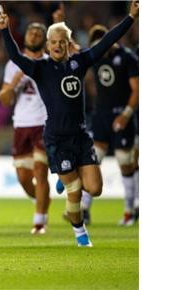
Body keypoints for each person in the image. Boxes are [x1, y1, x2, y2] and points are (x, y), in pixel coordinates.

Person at [0, 0, 139, 246]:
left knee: (94, 189)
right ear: (48, 45)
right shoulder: (40, 68)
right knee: (74, 193)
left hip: (81, 137)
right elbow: (15, 56)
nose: (58, 45)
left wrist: (131, 18)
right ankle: (79, 229)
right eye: (53, 42)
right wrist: (4, 30)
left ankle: (67, 177)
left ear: (67, 43)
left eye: (62, 41)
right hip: (57, 138)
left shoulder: (79, 62)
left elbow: (107, 41)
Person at [0, 22, 51, 234]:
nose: (35, 35)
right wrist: (14, 83)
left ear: (44, 39)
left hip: (44, 123)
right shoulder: (13, 65)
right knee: (23, 178)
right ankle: (41, 199)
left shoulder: (49, 62)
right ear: (25, 37)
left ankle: (39, 221)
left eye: (39, 33)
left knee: (41, 170)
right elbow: (4, 99)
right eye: (31, 32)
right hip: (21, 124)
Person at [84, 24, 139, 226]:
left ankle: (129, 210)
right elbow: (73, 52)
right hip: (101, 116)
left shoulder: (127, 58)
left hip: (121, 115)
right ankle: (84, 209)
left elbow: (137, 90)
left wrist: (126, 114)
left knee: (125, 161)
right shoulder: (97, 57)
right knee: (93, 159)